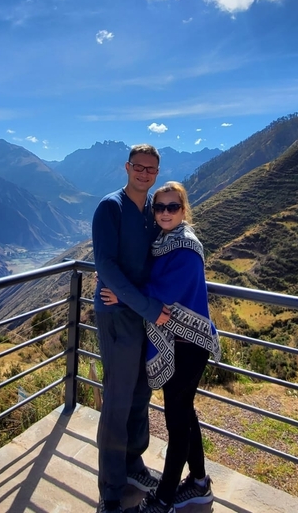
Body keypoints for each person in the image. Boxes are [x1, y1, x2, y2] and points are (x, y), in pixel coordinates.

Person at [101, 181, 220, 513]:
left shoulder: (185, 246)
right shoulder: (165, 241)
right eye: (160, 207)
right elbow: (153, 283)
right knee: (185, 413)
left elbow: (165, 289)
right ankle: (198, 483)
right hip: (179, 342)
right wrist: (130, 290)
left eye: (172, 207)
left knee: (176, 420)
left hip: (189, 344)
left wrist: (124, 293)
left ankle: (165, 498)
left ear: (183, 210)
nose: (165, 213)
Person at [93, 144, 172, 513]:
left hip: (140, 312)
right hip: (119, 317)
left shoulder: (153, 209)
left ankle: (133, 465)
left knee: (141, 394)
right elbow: (106, 266)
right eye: (138, 167)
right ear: (127, 168)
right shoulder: (111, 207)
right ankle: (111, 487)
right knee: (118, 399)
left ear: (157, 172)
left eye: (151, 168)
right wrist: (147, 307)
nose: (144, 173)